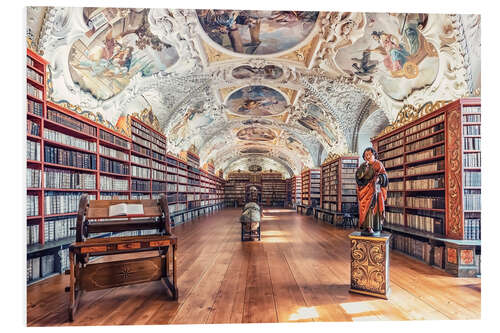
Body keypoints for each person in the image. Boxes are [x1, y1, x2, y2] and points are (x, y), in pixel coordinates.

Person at [355, 147, 389, 236]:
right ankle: (367, 227)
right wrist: (363, 173)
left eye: (369, 154)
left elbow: (385, 176)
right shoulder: (362, 166)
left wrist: (379, 179)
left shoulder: (378, 164)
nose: (368, 156)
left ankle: (375, 227)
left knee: (374, 208)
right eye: (366, 155)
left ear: (374, 155)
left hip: (376, 190)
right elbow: (358, 178)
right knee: (366, 208)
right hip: (365, 190)